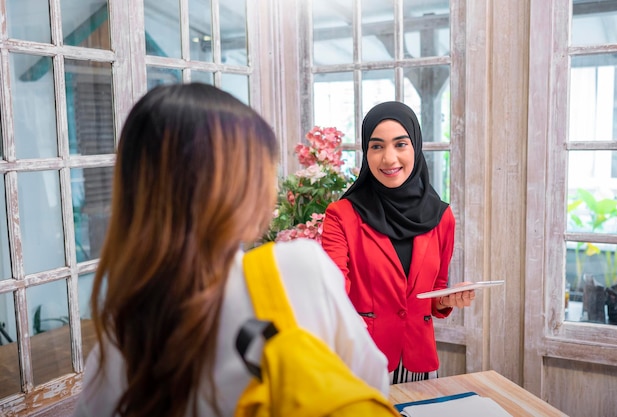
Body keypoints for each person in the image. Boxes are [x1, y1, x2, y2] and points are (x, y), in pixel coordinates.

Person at [72, 83, 389, 417]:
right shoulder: (294, 269)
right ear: (236, 184)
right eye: (267, 168)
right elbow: (371, 384)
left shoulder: (121, 334)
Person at [321, 101, 475, 384]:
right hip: (362, 361)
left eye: (400, 144)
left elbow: (434, 291)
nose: (389, 158)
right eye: (377, 146)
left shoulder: (442, 217)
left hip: (418, 362)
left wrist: (447, 299)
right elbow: (332, 291)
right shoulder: (341, 216)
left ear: (415, 147)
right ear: (366, 153)